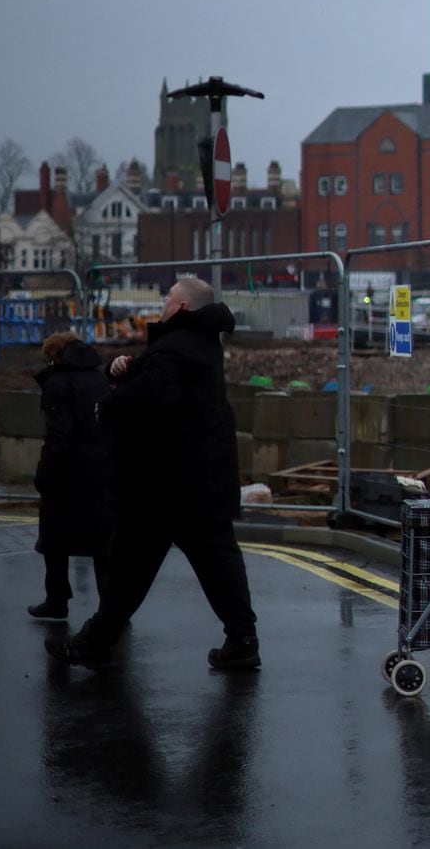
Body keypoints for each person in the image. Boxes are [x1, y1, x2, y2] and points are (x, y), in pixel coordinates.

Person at [46, 277, 260, 671]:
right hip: (199, 478)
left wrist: (107, 404)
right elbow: (160, 383)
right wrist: (122, 370)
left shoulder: (177, 349)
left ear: (180, 308)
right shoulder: (198, 344)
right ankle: (242, 639)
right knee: (214, 561)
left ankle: (96, 641)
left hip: (167, 482)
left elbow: (151, 397)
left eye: (168, 299)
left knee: (131, 563)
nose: (162, 305)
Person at [28, 332, 113, 619]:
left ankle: (57, 599)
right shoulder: (98, 378)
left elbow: (58, 435)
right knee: (103, 543)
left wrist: (45, 472)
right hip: (100, 470)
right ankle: (110, 607)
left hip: (67, 472)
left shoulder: (58, 384)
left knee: (54, 539)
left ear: (54, 355)